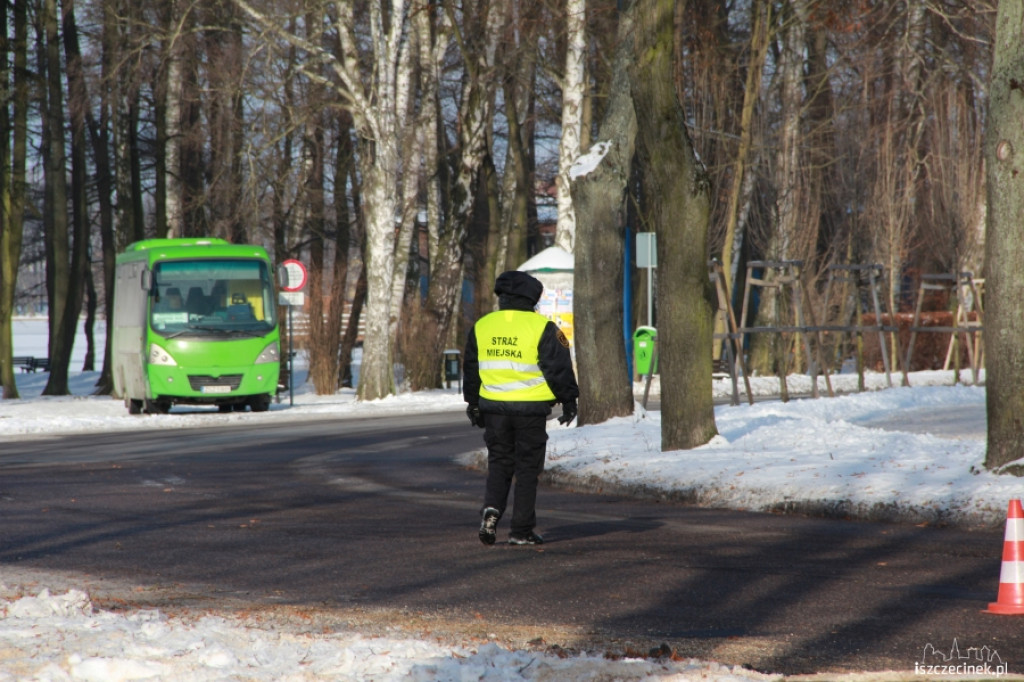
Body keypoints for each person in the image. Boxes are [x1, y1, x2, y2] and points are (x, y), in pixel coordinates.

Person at [463, 270, 579, 546]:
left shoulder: (482, 326)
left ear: (502, 297)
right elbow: (558, 368)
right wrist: (569, 400)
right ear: (532, 298)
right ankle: (521, 530)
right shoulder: (544, 327)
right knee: (527, 469)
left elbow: (471, 369)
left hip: (494, 411)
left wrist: (474, 404)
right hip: (530, 411)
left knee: (500, 462)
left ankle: (492, 510)